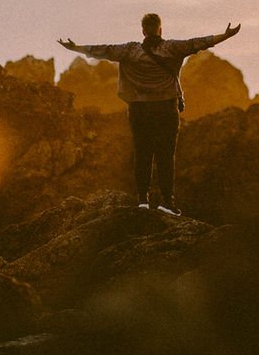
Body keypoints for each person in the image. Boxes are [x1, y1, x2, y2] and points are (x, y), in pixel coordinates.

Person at [58, 14, 240, 215]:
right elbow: (198, 43)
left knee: (142, 154)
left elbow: (103, 50)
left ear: (143, 31)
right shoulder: (172, 48)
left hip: (139, 110)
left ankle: (142, 200)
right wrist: (226, 35)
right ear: (160, 30)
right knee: (165, 156)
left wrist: (75, 48)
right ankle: (166, 202)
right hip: (166, 109)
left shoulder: (130, 50)